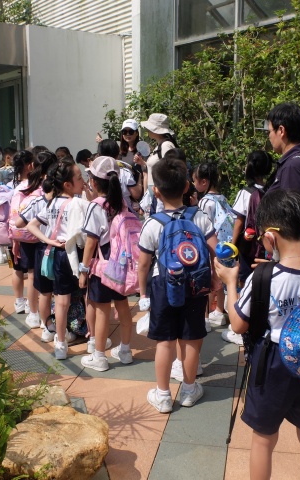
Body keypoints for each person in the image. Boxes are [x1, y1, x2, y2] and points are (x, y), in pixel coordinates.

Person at [215, 189, 300, 480]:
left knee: (263, 440)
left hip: (272, 363)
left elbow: (238, 324)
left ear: (270, 238)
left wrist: (230, 282)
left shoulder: (263, 277)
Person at [137, 156, 216, 412]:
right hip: (196, 284)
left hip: (164, 285)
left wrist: (143, 294)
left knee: (165, 341)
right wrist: (216, 279)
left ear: (156, 192)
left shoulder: (152, 223)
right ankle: (190, 391)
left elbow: (143, 264)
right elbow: (215, 251)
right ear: (186, 187)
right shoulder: (200, 217)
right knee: (191, 339)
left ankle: (163, 395)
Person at [25, 160, 89, 358]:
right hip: (75, 255)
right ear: (68, 184)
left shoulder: (52, 203)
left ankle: (60, 343)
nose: (83, 181)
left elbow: (31, 225)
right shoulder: (77, 204)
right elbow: (86, 235)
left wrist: (49, 241)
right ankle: (93, 340)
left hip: (57, 254)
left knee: (60, 301)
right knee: (85, 297)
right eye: (80, 178)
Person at [79, 156, 134, 372]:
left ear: (93, 182)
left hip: (102, 267)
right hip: (121, 264)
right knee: (122, 306)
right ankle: (126, 350)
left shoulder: (96, 207)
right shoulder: (121, 203)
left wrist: (83, 270)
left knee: (102, 310)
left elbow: (91, 241)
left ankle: (99, 356)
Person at [221, 150, 273, 346]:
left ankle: (242, 324)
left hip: (247, 247)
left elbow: (239, 221)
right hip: (266, 247)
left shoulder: (246, 192)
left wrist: (232, 244)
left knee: (243, 283)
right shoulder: (271, 190)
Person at [265, 102, 300, 258]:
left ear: (281, 130)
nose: (269, 136)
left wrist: (283, 263)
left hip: (295, 260)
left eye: (270, 131)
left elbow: (291, 222)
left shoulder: (293, 167)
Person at [14, 150, 58, 330]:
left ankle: (34, 314)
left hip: (28, 236)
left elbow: (16, 219)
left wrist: (15, 239)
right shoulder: (53, 187)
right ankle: (51, 318)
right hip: (51, 239)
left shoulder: (24, 186)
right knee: (51, 281)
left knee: (33, 276)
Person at [193, 162, 229, 329]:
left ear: (204, 182)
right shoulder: (222, 198)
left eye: (195, 180)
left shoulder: (205, 202)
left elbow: (202, 226)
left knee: (207, 282)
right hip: (223, 248)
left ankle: (205, 318)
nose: (193, 184)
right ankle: (219, 311)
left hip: (209, 248)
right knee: (220, 279)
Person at [9, 150, 37, 315]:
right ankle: (32, 307)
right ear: (29, 166)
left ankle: (19, 301)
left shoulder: (11, 185)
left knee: (17, 268)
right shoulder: (33, 186)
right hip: (29, 234)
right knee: (32, 272)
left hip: (14, 232)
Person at [138, 113, 177, 214]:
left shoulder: (166, 145)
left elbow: (169, 169)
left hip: (161, 194)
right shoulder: (159, 146)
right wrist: (143, 163)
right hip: (156, 192)